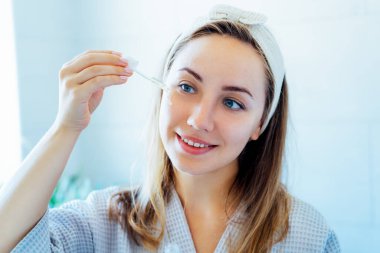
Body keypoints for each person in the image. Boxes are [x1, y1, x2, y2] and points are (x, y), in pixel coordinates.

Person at [0, 4, 340, 253]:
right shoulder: (102, 223)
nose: (198, 120)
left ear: (261, 124)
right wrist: (65, 127)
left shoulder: (306, 236)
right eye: (187, 87)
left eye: (232, 102)